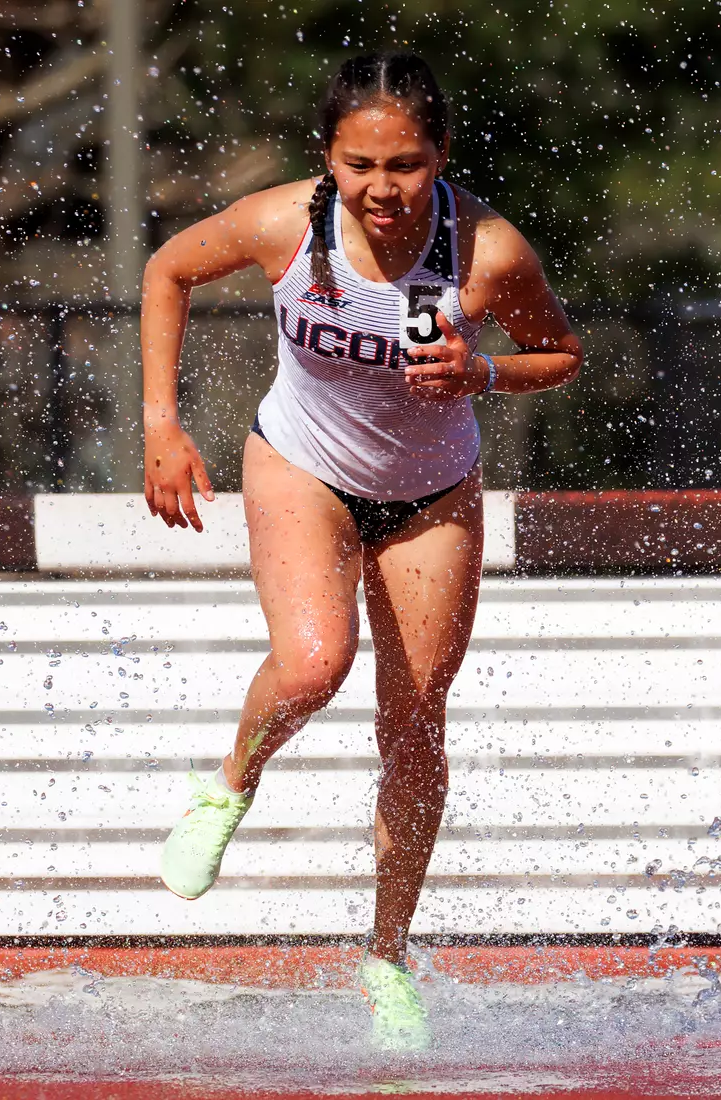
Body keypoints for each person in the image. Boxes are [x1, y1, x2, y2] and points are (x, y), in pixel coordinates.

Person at [139, 52, 582, 1052]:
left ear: (442, 156)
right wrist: (163, 426)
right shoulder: (280, 223)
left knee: (415, 720)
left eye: (407, 164)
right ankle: (231, 782)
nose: (382, 189)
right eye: (360, 164)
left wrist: (484, 372)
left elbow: (561, 354)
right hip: (302, 467)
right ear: (327, 159)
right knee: (313, 662)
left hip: (432, 496)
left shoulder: (489, 248)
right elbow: (167, 269)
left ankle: (386, 952)